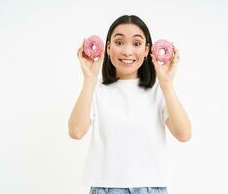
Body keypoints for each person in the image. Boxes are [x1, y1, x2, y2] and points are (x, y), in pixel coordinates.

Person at [68, 15, 191, 194]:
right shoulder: (96, 90)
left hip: (152, 187)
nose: (127, 51)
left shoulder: (159, 90)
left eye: (136, 43)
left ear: (147, 49)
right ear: (108, 48)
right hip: (106, 188)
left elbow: (184, 134)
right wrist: (89, 77)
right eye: (119, 43)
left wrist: (167, 84)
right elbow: (76, 131)